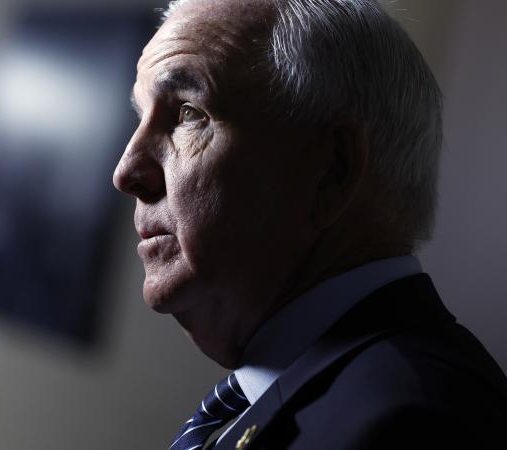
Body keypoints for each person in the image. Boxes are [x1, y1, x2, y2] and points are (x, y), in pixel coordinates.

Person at [111, 0, 507, 449]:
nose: (126, 171)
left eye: (187, 113)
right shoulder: (330, 392)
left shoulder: (410, 425)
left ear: (332, 169)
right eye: (140, 117)